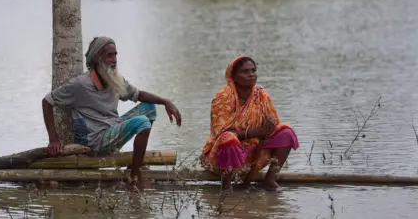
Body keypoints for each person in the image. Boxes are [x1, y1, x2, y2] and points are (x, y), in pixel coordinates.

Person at [42, 36, 182, 190]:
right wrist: (53, 138)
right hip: (94, 140)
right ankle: (134, 177)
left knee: (149, 107)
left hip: (111, 128)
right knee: (142, 122)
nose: (114, 59)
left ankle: (133, 167)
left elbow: (138, 94)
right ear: (97, 58)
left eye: (115, 55)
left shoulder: (113, 78)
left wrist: (165, 102)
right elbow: (47, 101)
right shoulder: (80, 85)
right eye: (109, 55)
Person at [200, 55, 299, 191]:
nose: (251, 74)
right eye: (245, 71)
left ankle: (269, 180)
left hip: (254, 152)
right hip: (222, 156)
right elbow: (220, 133)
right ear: (233, 77)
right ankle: (226, 186)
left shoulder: (261, 94)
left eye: (253, 70)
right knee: (228, 138)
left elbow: (273, 124)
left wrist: (269, 123)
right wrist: (253, 132)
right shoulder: (223, 96)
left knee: (286, 131)